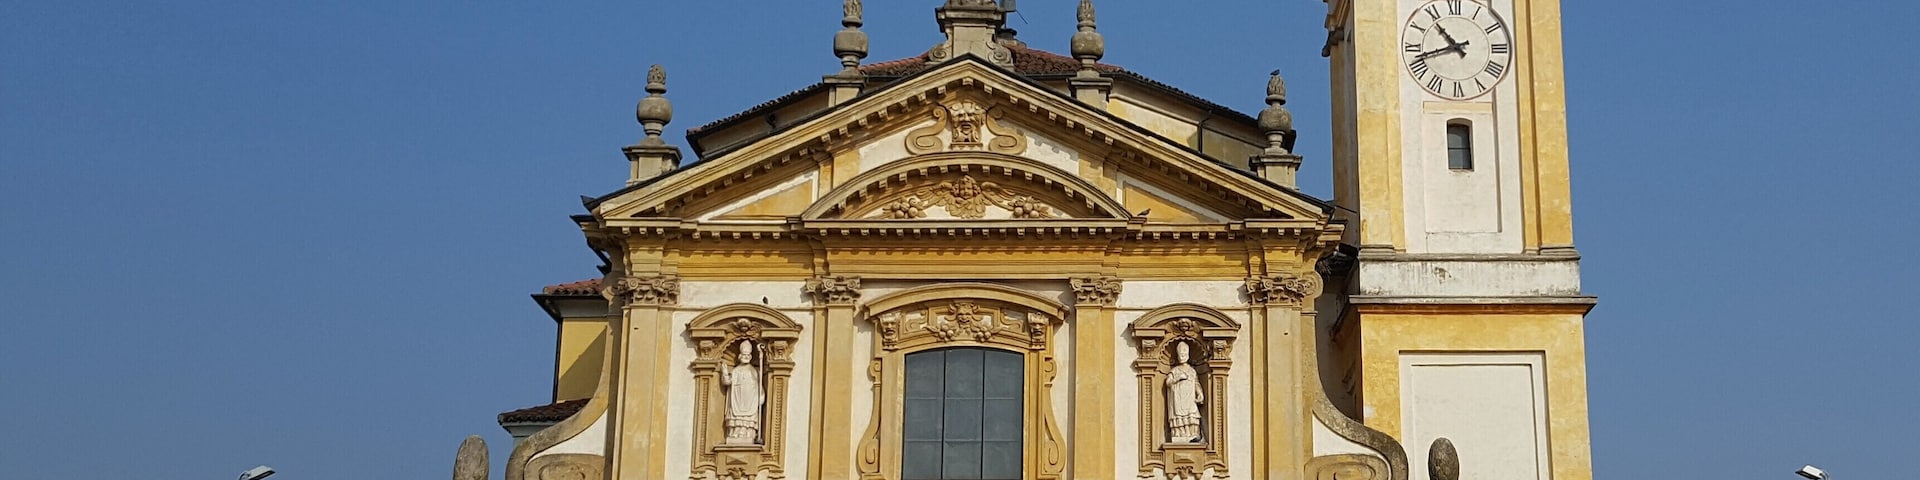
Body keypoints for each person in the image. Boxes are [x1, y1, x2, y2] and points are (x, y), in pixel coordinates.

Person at [721, 340, 764, 445]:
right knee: (736, 418)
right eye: (744, 355)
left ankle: (748, 433)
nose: (746, 357)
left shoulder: (754, 371)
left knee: (748, 419)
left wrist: (761, 395)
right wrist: (725, 373)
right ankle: (735, 433)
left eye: (748, 355)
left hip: (750, 400)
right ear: (740, 356)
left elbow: (759, 385)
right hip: (737, 399)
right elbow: (727, 382)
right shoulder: (736, 370)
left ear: (750, 356)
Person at [1165, 341, 1204, 443]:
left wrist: (1200, 393)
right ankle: (1179, 433)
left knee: (1192, 415)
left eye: (1184, 355)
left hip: (1190, 399)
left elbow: (1196, 383)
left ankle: (1192, 434)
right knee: (1178, 417)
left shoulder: (1192, 370)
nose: (1182, 357)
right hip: (1178, 399)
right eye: (1180, 355)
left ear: (1188, 355)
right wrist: (1178, 378)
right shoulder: (1175, 370)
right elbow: (1168, 382)